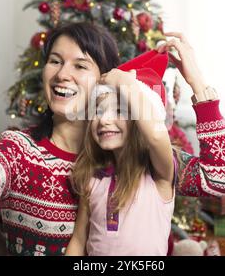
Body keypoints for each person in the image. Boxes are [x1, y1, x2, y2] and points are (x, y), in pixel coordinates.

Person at [0, 22, 225, 256]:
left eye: (81, 65)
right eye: (55, 61)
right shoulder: (19, 152)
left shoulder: (141, 156)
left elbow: (221, 181)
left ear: (107, 82)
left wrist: (197, 84)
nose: (62, 74)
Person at [66, 51, 178, 255]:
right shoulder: (93, 180)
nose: (104, 120)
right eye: (98, 111)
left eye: (119, 111)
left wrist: (122, 81)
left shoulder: (158, 175)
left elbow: (155, 135)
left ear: (139, 121)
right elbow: (79, 239)